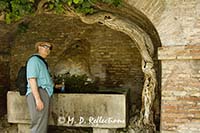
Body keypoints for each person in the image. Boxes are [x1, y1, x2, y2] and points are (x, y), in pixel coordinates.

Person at [26, 41, 55, 133]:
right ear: (38, 47)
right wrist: (38, 99)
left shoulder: (41, 62)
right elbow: (32, 79)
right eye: (45, 46)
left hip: (43, 93)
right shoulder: (34, 60)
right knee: (38, 123)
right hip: (38, 93)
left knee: (41, 123)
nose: (47, 49)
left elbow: (43, 79)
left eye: (49, 48)